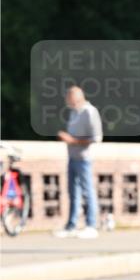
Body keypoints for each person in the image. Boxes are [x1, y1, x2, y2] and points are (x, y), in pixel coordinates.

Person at [53, 85, 103, 238]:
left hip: (84, 158)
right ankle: (71, 225)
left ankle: (91, 225)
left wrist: (72, 140)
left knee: (88, 191)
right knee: (73, 193)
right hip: (72, 158)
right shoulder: (74, 112)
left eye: (68, 97)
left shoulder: (89, 112)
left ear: (76, 97)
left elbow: (96, 138)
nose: (66, 100)